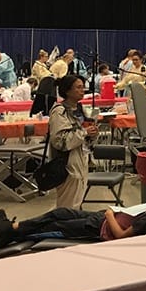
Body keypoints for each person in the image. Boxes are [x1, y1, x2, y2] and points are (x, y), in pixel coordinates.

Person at [0, 187, 146, 249]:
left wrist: (109, 214)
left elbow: (122, 237)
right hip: (101, 220)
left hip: (98, 229)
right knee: (60, 212)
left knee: (56, 225)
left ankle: (8, 232)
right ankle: (10, 226)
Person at [49, 75, 98, 209]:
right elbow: (59, 141)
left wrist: (92, 134)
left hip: (82, 159)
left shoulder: (80, 109)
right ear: (67, 91)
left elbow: (86, 137)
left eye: (83, 87)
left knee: (76, 204)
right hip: (67, 164)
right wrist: (84, 132)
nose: (82, 90)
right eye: (78, 87)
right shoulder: (59, 112)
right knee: (67, 207)